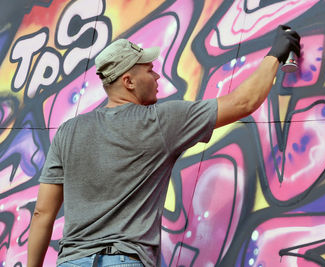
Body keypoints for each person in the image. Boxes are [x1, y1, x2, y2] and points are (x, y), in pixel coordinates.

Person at [27, 25, 300, 267]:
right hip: (125, 259)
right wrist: (276, 53)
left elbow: (42, 213)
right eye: (149, 70)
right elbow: (244, 102)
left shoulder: (68, 131)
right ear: (128, 81)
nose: (157, 77)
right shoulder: (159, 121)